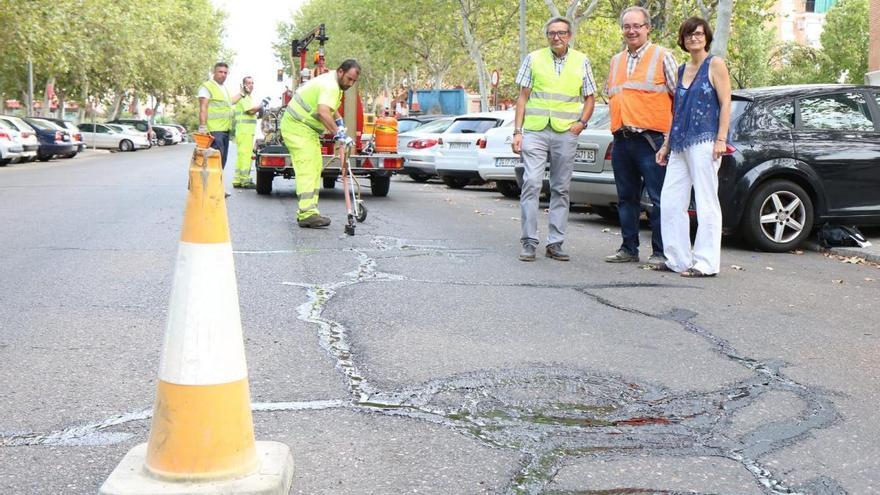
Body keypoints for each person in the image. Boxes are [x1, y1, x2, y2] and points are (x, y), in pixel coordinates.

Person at [512, 16, 596, 262]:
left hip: (565, 133)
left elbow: (590, 97)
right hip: (536, 131)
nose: (556, 37)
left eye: (560, 33)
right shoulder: (534, 58)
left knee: (561, 188)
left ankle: (555, 243)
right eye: (551, 33)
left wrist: (581, 124)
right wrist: (518, 132)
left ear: (569, 35)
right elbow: (522, 97)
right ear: (547, 36)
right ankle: (528, 241)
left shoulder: (582, 61)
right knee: (531, 183)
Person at [655, 17, 731, 277]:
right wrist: (666, 144)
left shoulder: (715, 64)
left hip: (705, 141)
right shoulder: (680, 69)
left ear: (706, 37)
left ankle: (706, 263)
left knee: (706, 201)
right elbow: (677, 110)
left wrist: (721, 139)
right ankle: (677, 258)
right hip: (679, 143)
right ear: (683, 40)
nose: (693, 38)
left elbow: (726, 104)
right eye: (688, 35)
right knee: (670, 201)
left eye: (698, 34)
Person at [604, 7, 677, 267]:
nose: (631, 31)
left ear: (648, 28)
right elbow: (614, 97)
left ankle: (661, 252)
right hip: (623, 140)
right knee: (626, 197)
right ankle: (628, 248)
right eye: (627, 26)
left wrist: (670, 139)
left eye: (637, 26)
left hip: (653, 141)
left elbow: (678, 97)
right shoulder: (615, 61)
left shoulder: (663, 56)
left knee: (658, 199)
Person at [279, 59, 360, 228]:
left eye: (354, 81)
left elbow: (329, 108)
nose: (351, 83)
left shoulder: (333, 83)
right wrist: (338, 135)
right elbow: (323, 112)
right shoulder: (330, 85)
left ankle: (308, 211)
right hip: (298, 127)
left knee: (315, 166)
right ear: (340, 72)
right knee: (308, 168)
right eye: (349, 79)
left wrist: (339, 122)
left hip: (304, 129)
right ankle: (307, 213)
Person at [198, 62, 241, 170]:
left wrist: (242, 93)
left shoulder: (223, 88)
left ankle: (216, 185)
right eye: (220, 72)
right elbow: (203, 107)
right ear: (214, 72)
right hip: (214, 131)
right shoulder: (207, 87)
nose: (223, 75)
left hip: (224, 130)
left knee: (221, 161)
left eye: (225, 73)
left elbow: (229, 102)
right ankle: (211, 186)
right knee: (215, 162)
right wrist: (202, 127)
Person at [231, 76, 269, 188]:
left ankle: (237, 179)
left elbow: (255, 115)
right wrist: (261, 105)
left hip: (244, 131)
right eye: (248, 83)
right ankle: (245, 180)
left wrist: (261, 109)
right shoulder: (243, 98)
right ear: (243, 85)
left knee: (241, 156)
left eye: (252, 83)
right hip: (244, 131)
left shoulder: (248, 98)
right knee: (246, 155)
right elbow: (251, 110)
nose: (251, 85)